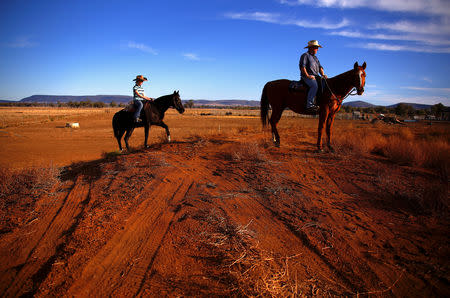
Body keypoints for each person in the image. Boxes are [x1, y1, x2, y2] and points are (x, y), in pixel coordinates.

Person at [299, 40, 328, 113]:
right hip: (306, 76)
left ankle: (320, 103)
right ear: (311, 48)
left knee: (325, 84)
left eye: (317, 48)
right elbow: (303, 67)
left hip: (316, 76)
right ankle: (309, 105)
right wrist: (308, 76)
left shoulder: (315, 58)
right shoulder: (305, 55)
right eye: (316, 48)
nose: (317, 49)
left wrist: (323, 74)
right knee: (314, 86)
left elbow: (320, 67)